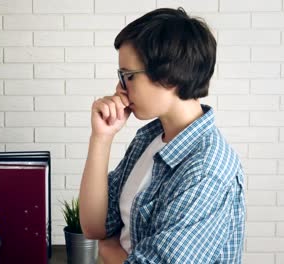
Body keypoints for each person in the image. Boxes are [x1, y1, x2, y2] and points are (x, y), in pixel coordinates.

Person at [79, 7, 245, 264]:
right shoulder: (149, 139)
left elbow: (106, 242)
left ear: (169, 77)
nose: (120, 88)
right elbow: (95, 228)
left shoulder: (206, 172)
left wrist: (109, 248)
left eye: (128, 76)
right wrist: (101, 137)